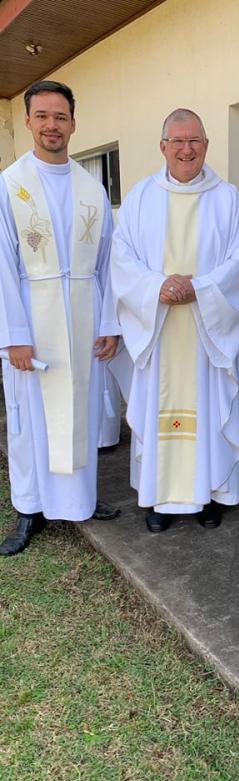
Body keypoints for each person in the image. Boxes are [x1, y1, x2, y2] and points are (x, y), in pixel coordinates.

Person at [110, 108, 239, 532]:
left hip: (207, 332)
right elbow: (122, 260)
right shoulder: (140, 198)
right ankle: (159, 499)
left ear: (207, 146)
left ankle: (211, 494)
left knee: (210, 408)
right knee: (158, 409)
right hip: (158, 330)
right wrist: (158, 285)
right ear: (163, 147)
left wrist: (202, 288)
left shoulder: (227, 198)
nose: (186, 149)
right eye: (177, 141)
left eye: (194, 141)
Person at [0, 80, 120, 557]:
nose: (52, 125)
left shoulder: (92, 186)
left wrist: (109, 322)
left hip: (84, 314)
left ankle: (81, 500)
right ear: (28, 121)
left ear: (74, 122)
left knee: (83, 410)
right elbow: (2, 266)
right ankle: (30, 509)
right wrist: (14, 335)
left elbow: (111, 261)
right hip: (34, 313)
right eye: (43, 116)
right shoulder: (10, 185)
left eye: (61, 116)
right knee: (32, 418)